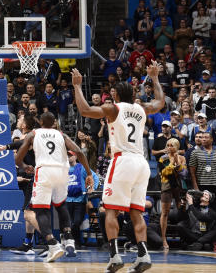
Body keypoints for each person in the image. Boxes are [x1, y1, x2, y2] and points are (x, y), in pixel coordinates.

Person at [72, 62, 166, 273]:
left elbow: (85, 110)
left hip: (122, 161)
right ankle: (143, 255)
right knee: (136, 212)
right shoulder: (142, 108)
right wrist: (155, 78)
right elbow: (160, 102)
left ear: (116, 96)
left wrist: (77, 86)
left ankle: (115, 256)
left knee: (110, 210)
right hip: (141, 163)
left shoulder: (113, 108)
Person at [14, 111, 93, 262]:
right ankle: (68, 238)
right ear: (54, 123)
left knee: (41, 210)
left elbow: (18, 158)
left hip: (44, 170)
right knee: (61, 204)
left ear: (41, 122)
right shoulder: (61, 135)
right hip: (62, 171)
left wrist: (25, 166)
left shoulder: (33, 134)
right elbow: (78, 151)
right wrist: (88, 173)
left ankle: (52, 243)